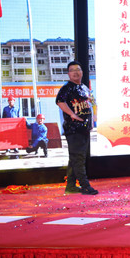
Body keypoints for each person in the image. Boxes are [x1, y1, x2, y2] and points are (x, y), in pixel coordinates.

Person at [55, 61, 98, 195]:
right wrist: (72, 114)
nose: (75, 72)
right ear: (68, 74)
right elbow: (59, 101)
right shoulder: (67, 88)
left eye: (78, 69)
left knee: (75, 158)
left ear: (82, 72)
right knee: (78, 158)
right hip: (73, 129)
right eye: (72, 70)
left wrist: (94, 116)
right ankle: (85, 186)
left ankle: (71, 186)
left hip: (85, 128)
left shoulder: (84, 87)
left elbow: (93, 102)